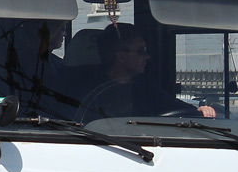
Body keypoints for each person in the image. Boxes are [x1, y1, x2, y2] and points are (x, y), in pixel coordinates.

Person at [78, 23, 216, 120]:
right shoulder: (84, 88)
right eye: (141, 51)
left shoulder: (145, 89)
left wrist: (200, 110)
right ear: (121, 56)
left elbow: (175, 107)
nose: (147, 56)